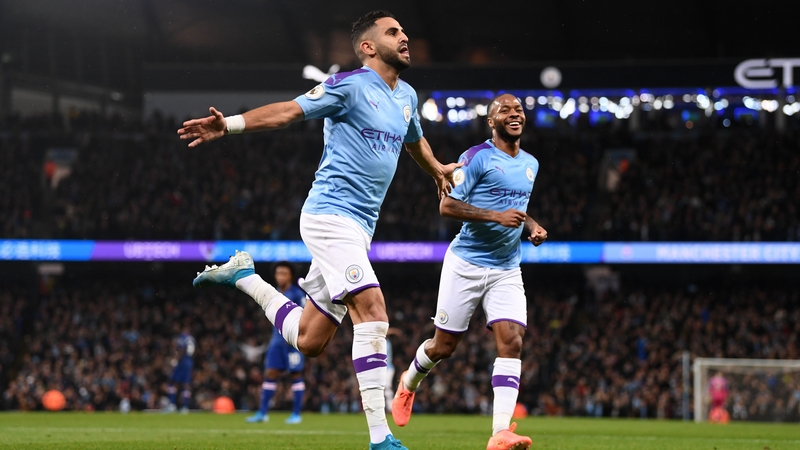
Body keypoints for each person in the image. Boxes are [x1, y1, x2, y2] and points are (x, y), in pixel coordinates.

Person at [180, 10, 460, 450]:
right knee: (374, 310)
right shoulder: (348, 86)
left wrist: (436, 170)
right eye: (393, 32)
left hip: (360, 229)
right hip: (330, 216)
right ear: (368, 47)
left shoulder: (405, 94)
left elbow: (414, 139)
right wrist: (229, 125)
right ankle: (379, 438)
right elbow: (289, 112)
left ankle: (244, 278)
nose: (404, 37)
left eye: (404, 30)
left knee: (310, 340)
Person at [391, 94, 547, 450]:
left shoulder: (530, 164)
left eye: (518, 110)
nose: (514, 114)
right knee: (444, 346)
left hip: (507, 267)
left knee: (513, 342)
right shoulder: (475, 157)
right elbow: (446, 205)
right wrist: (495, 217)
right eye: (504, 110)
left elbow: (516, 207)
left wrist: (532, 225)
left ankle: (499, 433)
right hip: (466, 264)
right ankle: (409, 382)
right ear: (491, 122)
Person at [246, 262, 307, 424]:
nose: (281, 277)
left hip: (292, 341)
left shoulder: (296, 294)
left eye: (284, 274)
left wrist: (296, 336)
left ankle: (296, 414)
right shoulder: (273, 293)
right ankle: (263, 413)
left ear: (290, 276)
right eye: (278, 273)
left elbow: (304, 316)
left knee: (296, 374)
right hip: (276, 340)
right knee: (270, 374)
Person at [166, 329, 195, 413]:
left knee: (172, 382)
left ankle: (172, 405)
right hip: (189, 362)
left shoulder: (183, 337)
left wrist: (176, 359)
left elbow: (182, 349)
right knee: (186, 385)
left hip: (182, 362)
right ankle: (185, 407)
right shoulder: (192, 339)